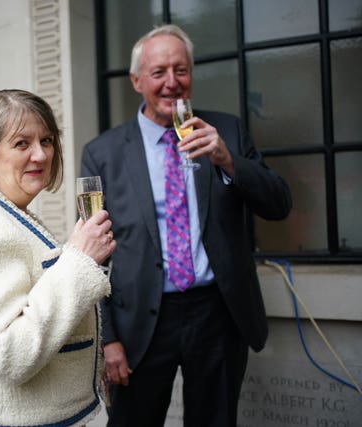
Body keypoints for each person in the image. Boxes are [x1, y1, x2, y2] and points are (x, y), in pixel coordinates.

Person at [80, 25, 292, 426]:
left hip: (217, 313)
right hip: (140, 321)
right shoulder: (102, 154)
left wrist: (230, 162)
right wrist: (108, 339)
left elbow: (279, 204)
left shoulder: (227, 131)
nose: (171, 83)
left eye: (181, 70)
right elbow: (92, 256)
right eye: (159, 72)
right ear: (136, 80)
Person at [0, 89, 116, 427]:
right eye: (21, 143)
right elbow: (9, 353)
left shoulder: (4, 212)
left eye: (46, 141)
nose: (41, 155)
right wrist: (78, 262)